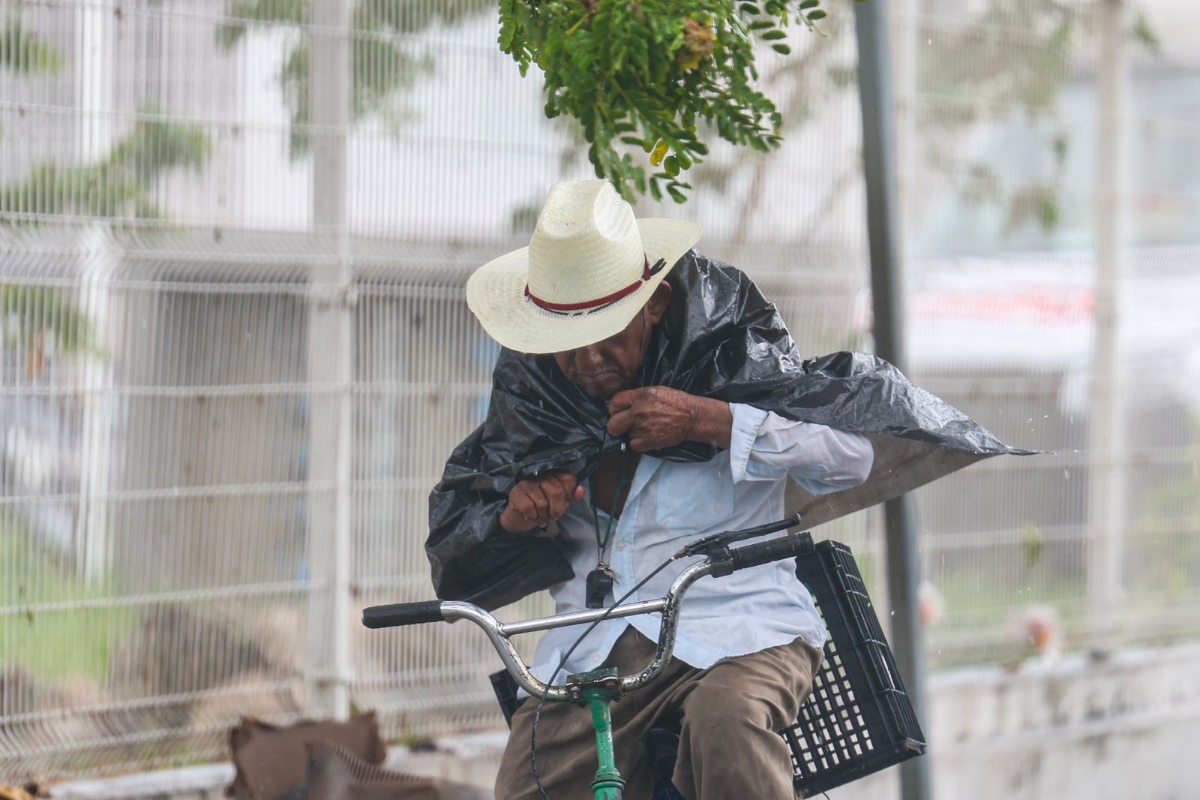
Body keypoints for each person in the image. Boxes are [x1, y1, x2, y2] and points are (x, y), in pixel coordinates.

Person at [434, 179, 879, 799]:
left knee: (728, 722)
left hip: (741, 635)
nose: (588, 361)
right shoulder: (539, 404)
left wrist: (709, 420)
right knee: (529, 781)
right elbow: (473, 527)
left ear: (655, 303)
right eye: (568, 345)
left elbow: (852, 458)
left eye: (608, 335)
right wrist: (519, 514)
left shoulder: (731, 360)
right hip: (595, 649)